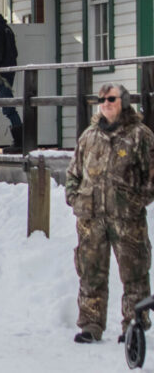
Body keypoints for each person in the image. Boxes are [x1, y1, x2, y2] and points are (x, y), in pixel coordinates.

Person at [65, 83, 154, 344]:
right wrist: (74, 198)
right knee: (91, 272)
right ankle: (91, 325)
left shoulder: (140, 135)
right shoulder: (89, 135)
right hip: (91, 219)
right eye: (101, 99)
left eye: (111, 98)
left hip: (127, 220)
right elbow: (74, 172)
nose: (105, 103)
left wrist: (136, 202)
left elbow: (151, 176)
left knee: (134, 274)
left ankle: (134, 325)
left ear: (123, 102)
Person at [0, 12, 24, 152]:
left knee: (7, 108)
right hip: (8, 73)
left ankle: (21, 141)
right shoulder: (6, 29)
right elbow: (14, 53)